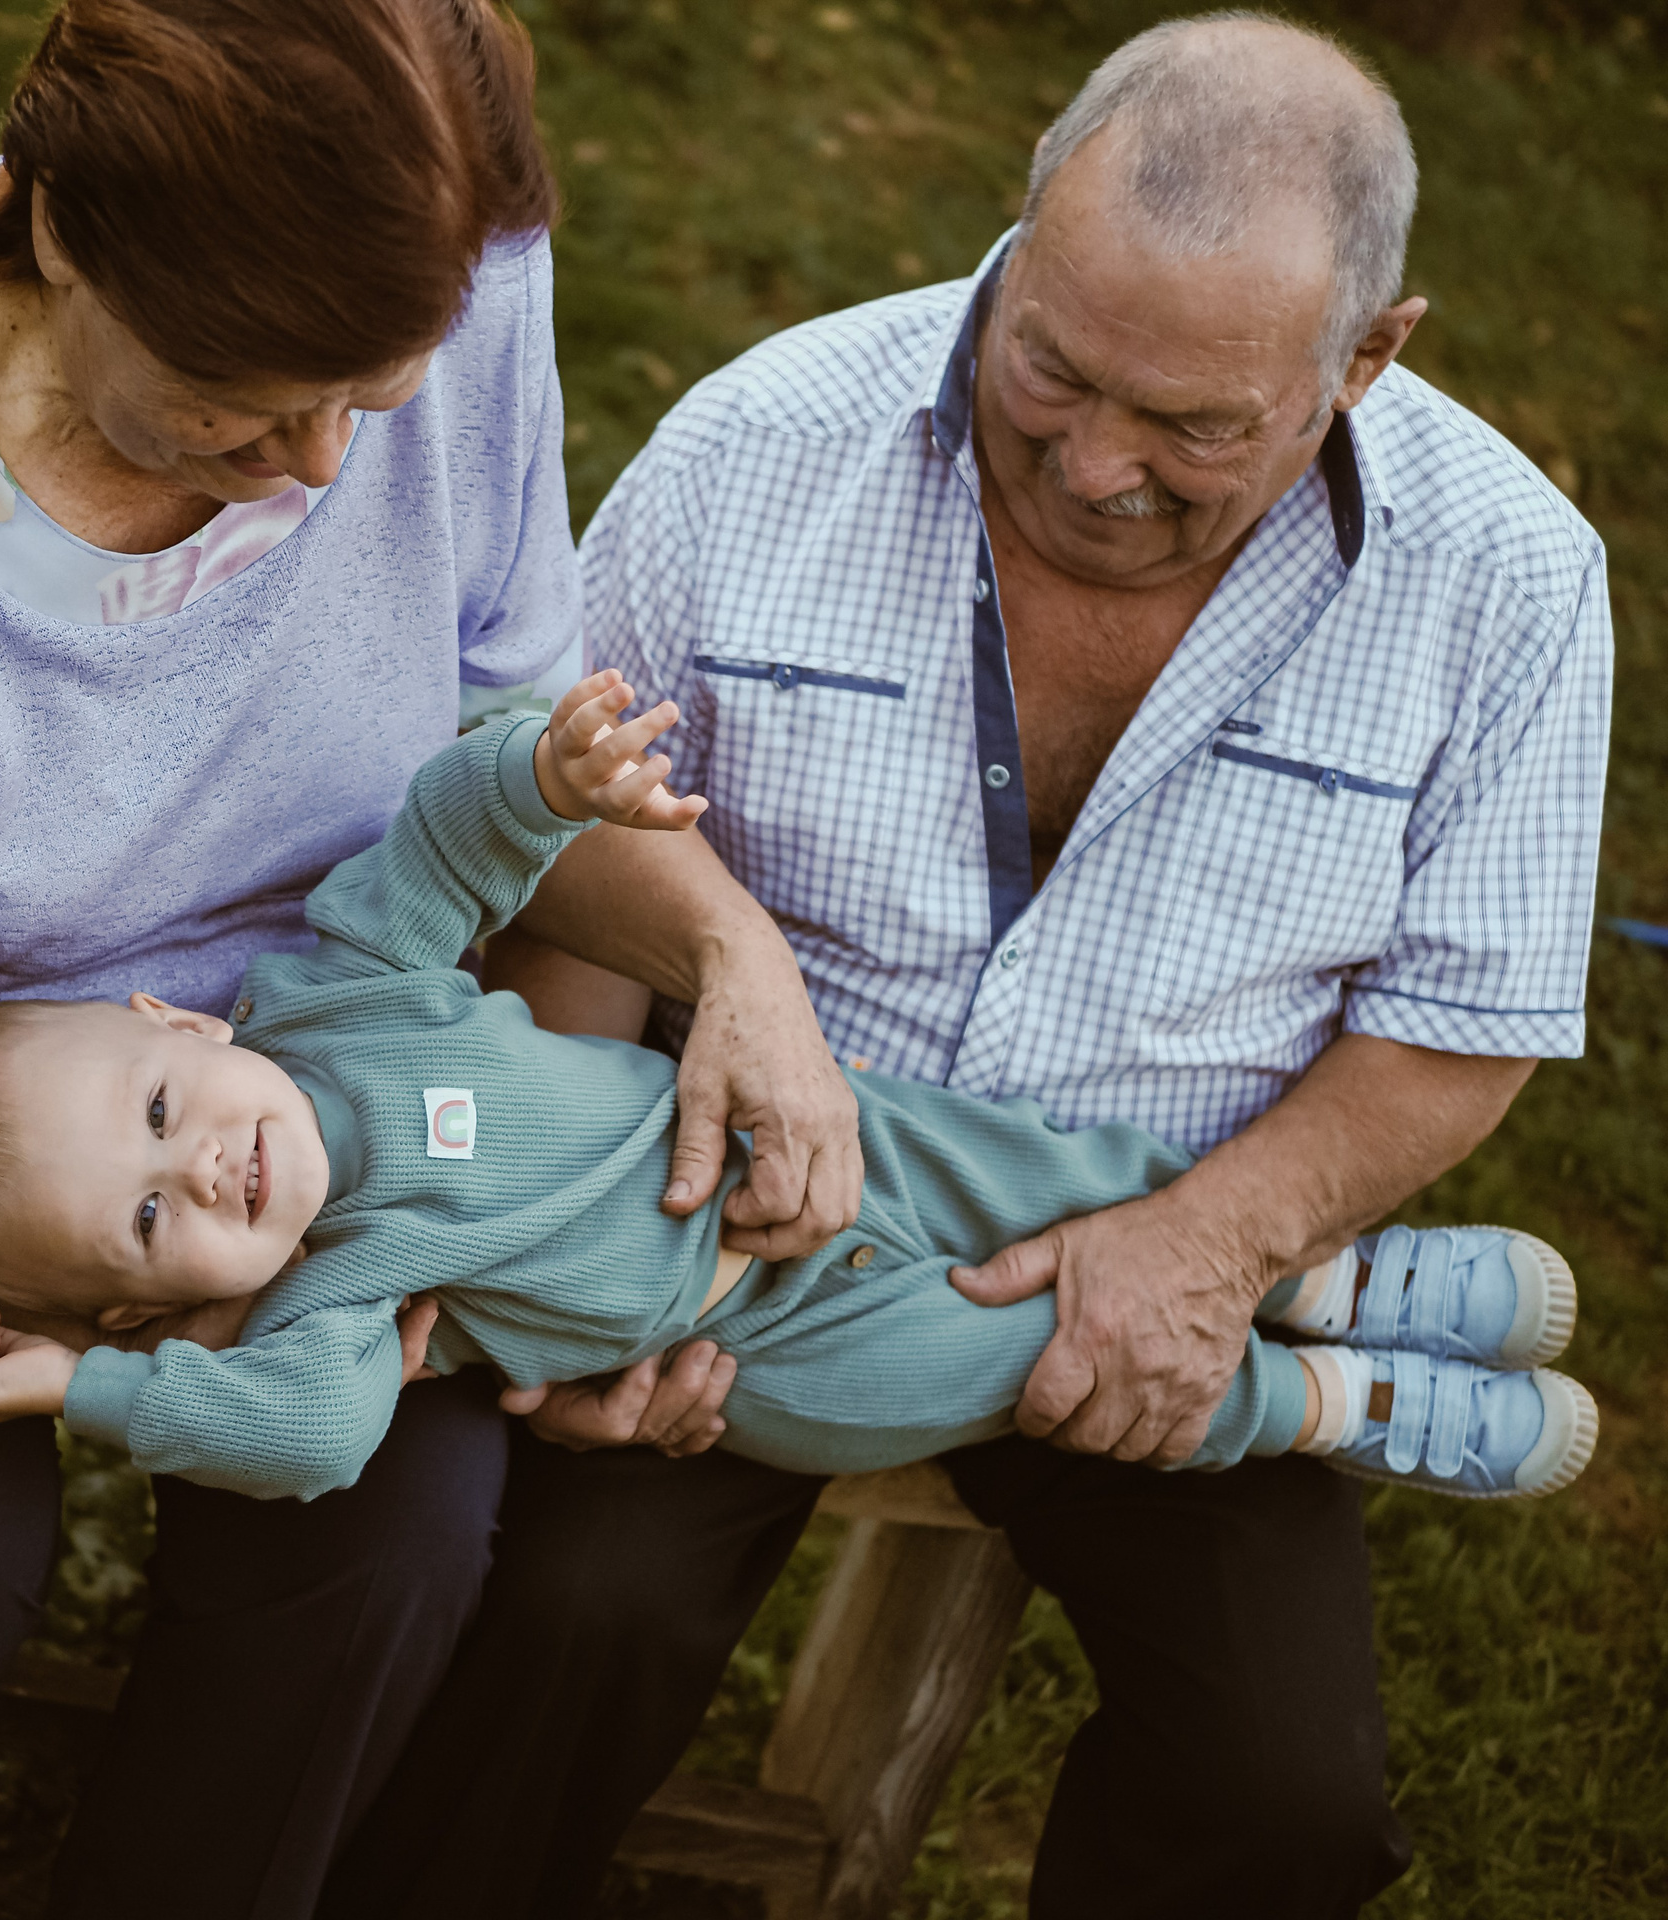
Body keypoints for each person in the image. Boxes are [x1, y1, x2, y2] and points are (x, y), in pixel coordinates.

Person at [0, 4, 865, 1915]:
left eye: (368, 397)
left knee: (392, 1538)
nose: (323, 466)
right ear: (64, 234)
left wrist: (729, 966)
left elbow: (511, 760)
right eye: (244, 399)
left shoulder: (452, 280)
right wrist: (146, 1327)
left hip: (296, 1040)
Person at [321, 14, 1614, 1920]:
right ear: (1028, 213)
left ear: (1369, 356)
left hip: (1181, 1234)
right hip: (740, 1219)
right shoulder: (763, 441)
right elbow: (558, 828)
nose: (1096, 470)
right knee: (552, 1623)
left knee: (1284, 1801)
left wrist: (1210, 1249)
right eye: (1052, 372)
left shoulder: (1512, 578)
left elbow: (1464, 1024)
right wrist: (554, 1256)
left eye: (1193, 429)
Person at [0, 675, 1595, 1503]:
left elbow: (442, 848)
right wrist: (83, 1396)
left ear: (179, 1025)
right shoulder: (337, 1310)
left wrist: (542, 775)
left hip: (794, 1142)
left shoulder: (335, 997)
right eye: (145, 1225)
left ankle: (1326, 1276)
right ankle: (1338, 1411)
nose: (201, 1177)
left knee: (1047, 1172)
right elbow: (312, 1443)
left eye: (153, 1118)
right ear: (154, 1311)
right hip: (762, 1344)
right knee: (1026, 1352)